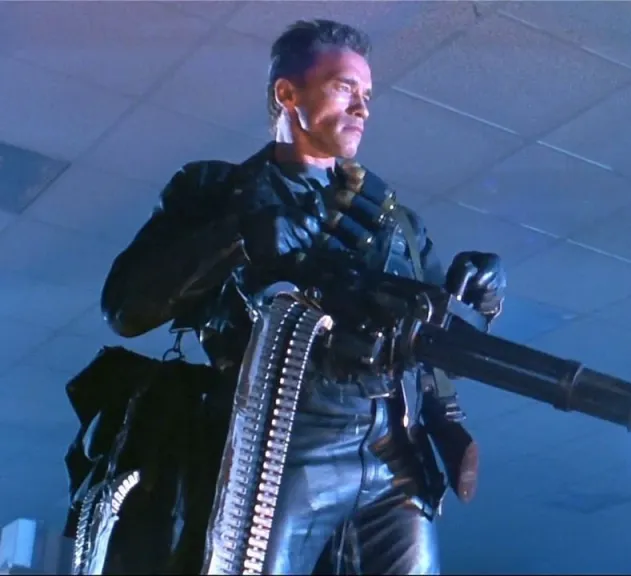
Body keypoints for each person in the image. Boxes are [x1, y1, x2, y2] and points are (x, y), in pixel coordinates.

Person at [97, 19, 506, 575]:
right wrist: (240, 239)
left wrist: (479, 294)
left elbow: (437, 342)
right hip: (281, 445)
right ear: (287, 93)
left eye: (367, 95)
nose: (362, 107)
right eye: (344, 88)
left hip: (393, 454)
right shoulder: (216, 193)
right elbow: (124, 307)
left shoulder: (397, 224)